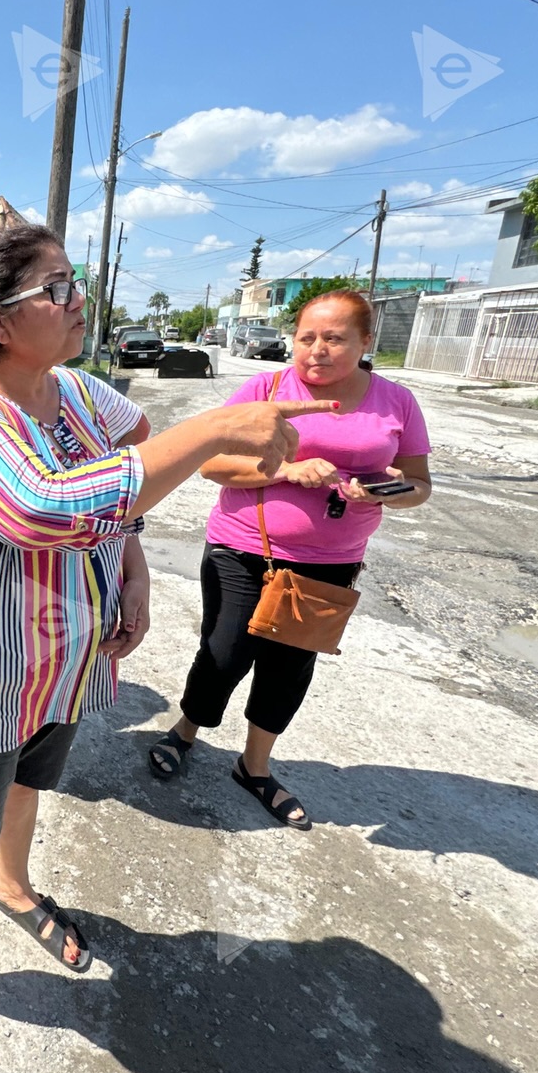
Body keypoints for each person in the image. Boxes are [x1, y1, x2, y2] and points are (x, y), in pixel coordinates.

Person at [0, 225, 335, 1073]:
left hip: (67, 651)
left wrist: (132, 565)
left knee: (33, 781)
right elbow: (42, 507)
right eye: (54, 291)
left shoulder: (78, 392)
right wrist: (210, 429)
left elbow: (138, 466)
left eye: (73, 282)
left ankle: (15, 887)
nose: (77, 302)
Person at [147, 289, 432, 828]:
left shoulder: (396, 402)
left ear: (366, 341)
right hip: (243, 547)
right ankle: (186, 730)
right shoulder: (266, 388)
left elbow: (419, 485)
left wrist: (387, 491)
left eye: (334, 338)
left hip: (331, 561)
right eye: (306, 338)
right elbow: (211, 464)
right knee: (225, 651)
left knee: (289, 666)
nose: (317, 350)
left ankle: (254, 767)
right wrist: (287, 470)